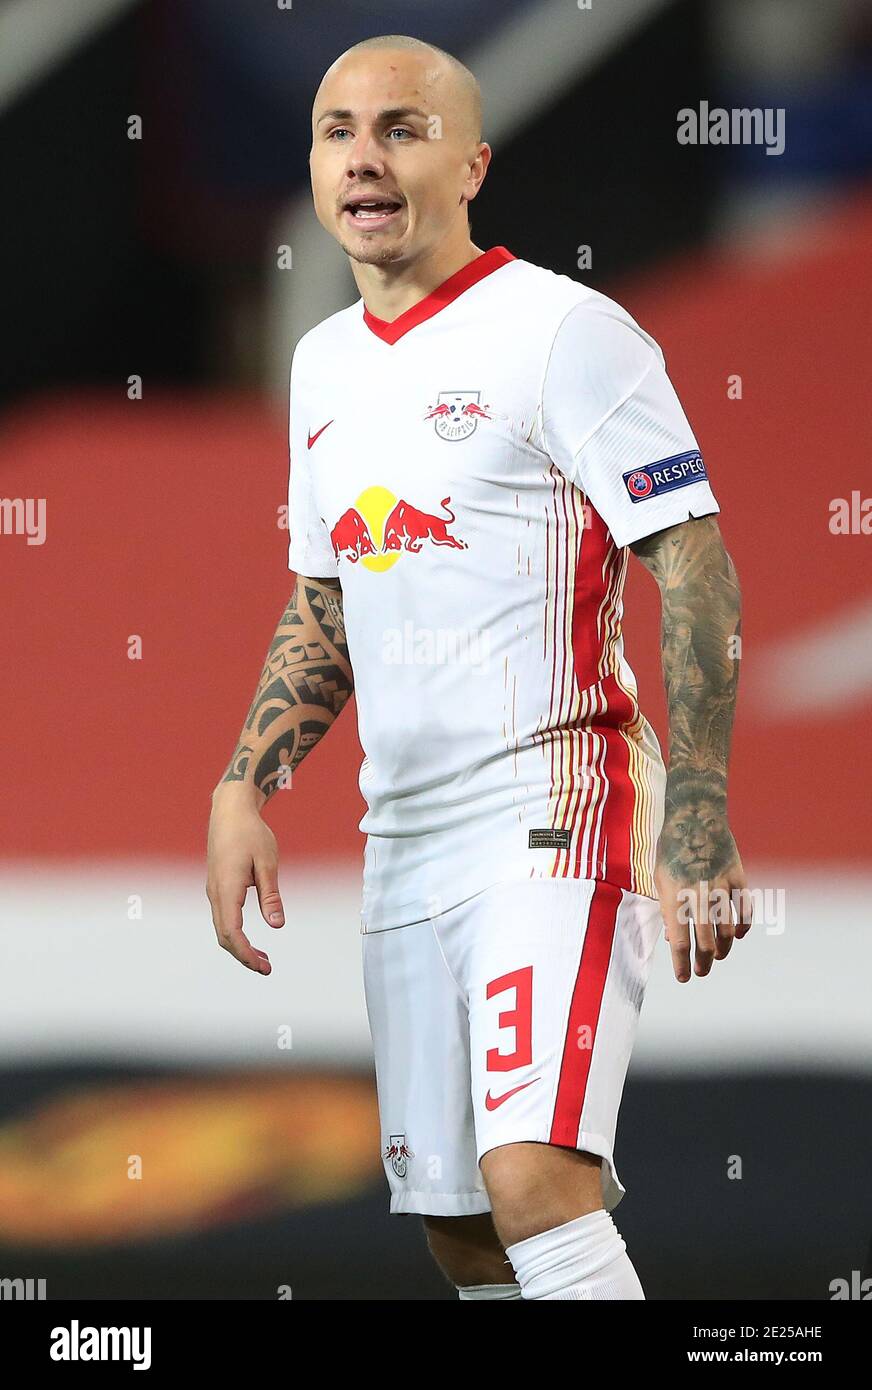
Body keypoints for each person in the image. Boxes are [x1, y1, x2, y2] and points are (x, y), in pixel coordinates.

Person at [206, 33, 753, 1301]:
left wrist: (706, 810)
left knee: (533, 1181)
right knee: (460, 1226)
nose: (365, 157)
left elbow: (694, 564)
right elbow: (328, 591)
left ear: (471, 164)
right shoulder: (322, 365)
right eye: (338, 131)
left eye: (401, 128)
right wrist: (245, 782)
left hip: (552, 799)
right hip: (402, 836)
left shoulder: (563, 331)